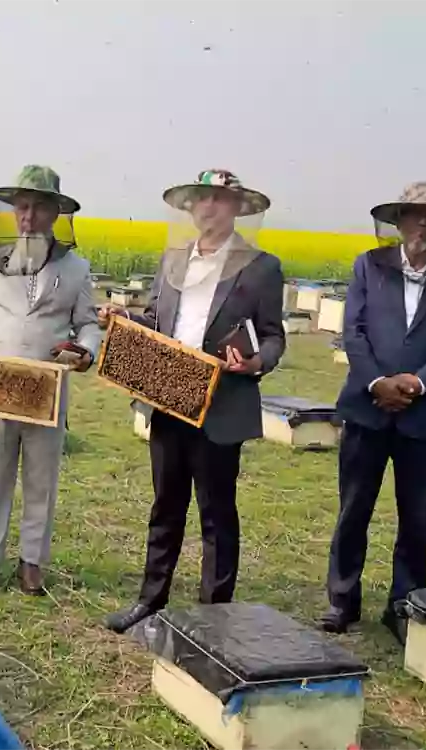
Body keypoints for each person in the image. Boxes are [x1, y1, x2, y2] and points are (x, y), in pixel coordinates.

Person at [100, 169, 285, 634]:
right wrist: (126, 318)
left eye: (220, 201)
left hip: (221, 401)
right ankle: (150, 599)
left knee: (217, 511)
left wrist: (256, 361)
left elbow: (274, 336)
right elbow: (159, 319)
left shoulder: (260, 265)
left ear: (237, 209)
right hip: (169, 394)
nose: (209, 208)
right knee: (166, 504)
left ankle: (212, 616)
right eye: (202, 200)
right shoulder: (173, 258)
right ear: (190, 208)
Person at [320, 182, 426, 643]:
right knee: (354, 509)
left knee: (416, 518)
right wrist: (377, 382)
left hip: (424, 415)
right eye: (414, 214)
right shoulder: (369, 265)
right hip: (367, 407)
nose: (422, 223)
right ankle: (341, 600)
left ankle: (406, 606)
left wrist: (419, 382)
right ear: (400, 221)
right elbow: (355, 330)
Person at [0, 165, 101, 596]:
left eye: (36, 208)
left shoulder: (77, 268)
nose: (26, 216)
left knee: (42, 479)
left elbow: (88, 325)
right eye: (20, 207)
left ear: (54, 213)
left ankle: (32, 563)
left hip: (48, 389)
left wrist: (86, 351)